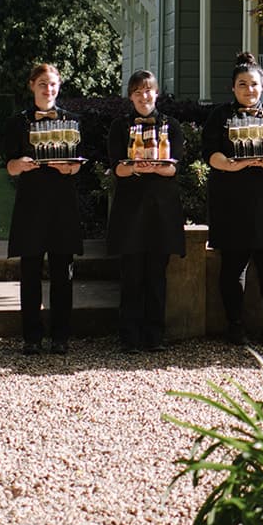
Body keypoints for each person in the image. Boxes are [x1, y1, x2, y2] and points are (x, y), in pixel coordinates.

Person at [201, 53, 263, 345]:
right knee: (233, 266)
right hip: (232, 202)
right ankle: (235, 325)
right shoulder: (220, 116)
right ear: (233, 87)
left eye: (253, 84)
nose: (249, 90)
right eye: (242, 84)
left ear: (262, 86)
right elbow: (210, 154)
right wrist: (231, 164)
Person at [0, 63, 83, 355]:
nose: (48, 89)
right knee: (30, 270)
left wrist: (70, 168)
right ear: (32, 86)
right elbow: (9, 166)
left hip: (62, 202)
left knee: (64, 272)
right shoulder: (17, 123)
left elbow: (77, 166)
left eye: (53, 84)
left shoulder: (72, 121)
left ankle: (61, 336)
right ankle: (31, 337)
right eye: (42, 84)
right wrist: (19, 165)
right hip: (31, 203)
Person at [108, 70, 186, 351]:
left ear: (157, 93)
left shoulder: (171, 125)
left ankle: (154, 336)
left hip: (161, 210)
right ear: (130, 96)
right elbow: (117, 168)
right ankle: (128, 337)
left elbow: (173, 168)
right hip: (130, 209)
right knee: (131, 276)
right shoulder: (119, 126)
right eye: (138, 91)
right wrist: (134, 167)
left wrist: (151, 168)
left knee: (156, 276)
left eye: (148, 90)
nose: (144, 96)